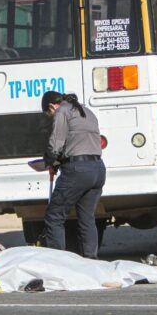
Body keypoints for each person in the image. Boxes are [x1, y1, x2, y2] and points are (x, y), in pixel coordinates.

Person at [41, 91, 106, 259]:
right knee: (87, 219)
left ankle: (58, 264)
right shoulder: (87, 111)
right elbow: (79, 142)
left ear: (51, 106)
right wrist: (60, 161)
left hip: (78, 170)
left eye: (49, 115)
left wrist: (49, 161)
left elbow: (56, 144)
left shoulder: (62, 111)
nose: (51, 117)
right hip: (98, 169)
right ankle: (91, 261)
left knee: (54, 216)